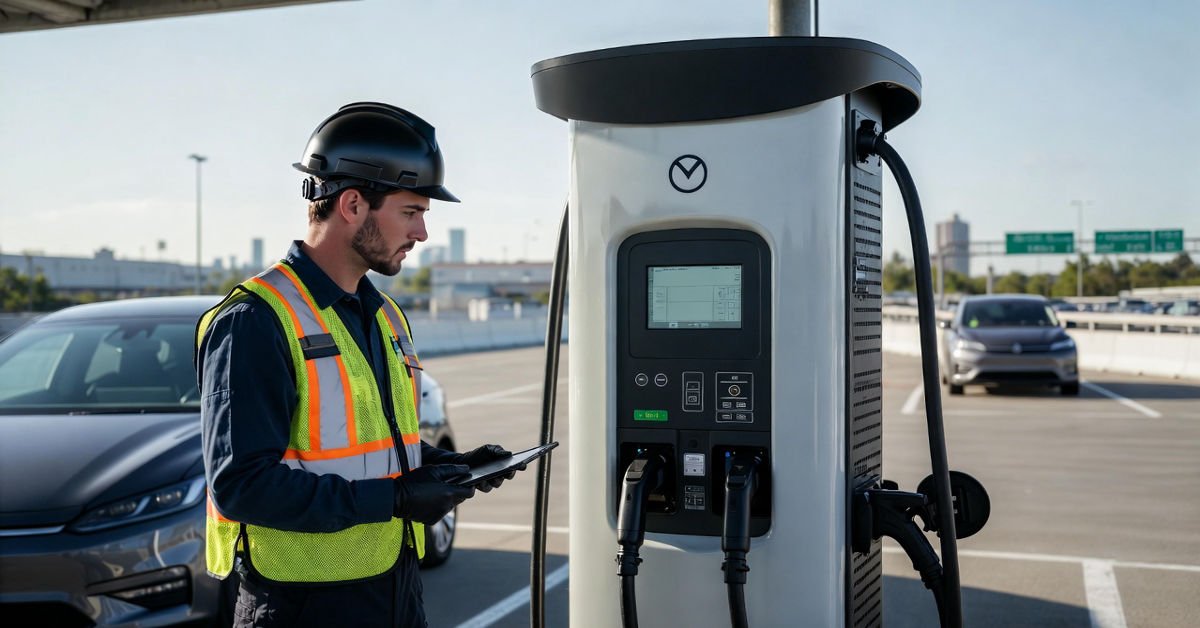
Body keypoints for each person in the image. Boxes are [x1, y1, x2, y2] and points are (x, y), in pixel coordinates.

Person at [197, 102, 519, 627]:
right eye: (411, 212)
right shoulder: (256, 321)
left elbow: (361, 441)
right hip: (302, 607)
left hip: (394, 592)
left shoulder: (385, 315)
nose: (422, 233)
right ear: (352, 205)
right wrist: (396, 498)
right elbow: (243, 485)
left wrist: (442, 464)